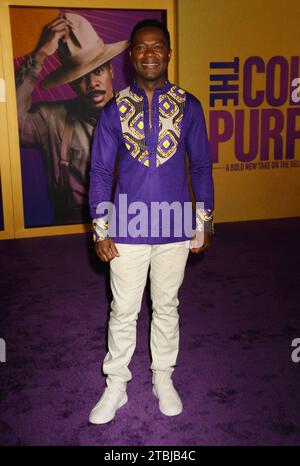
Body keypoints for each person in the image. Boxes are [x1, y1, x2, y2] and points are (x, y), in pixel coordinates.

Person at [89, 19, 214, 424]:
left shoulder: (189, 105)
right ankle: (117, 386)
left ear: (169, 53)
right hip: (127, 227)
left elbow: (200, 166)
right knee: (123, 311)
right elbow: (101, 173)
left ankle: (163, 377)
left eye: (157, 47)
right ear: (130, 55)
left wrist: (204, 220)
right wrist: (100, 228)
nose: (149, 54)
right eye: (141, 48)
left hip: (175, 226)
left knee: (167, 307)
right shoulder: (114, 110)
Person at [16, 13, 128, 224]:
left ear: (111, 71)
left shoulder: (138, 114)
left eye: (98, 71)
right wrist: (39, 56)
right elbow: (8, 127)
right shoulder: (51, 119)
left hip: (129, 227)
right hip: (71, 231)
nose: (92, 83)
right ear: (71, 84)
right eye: (81, 77)